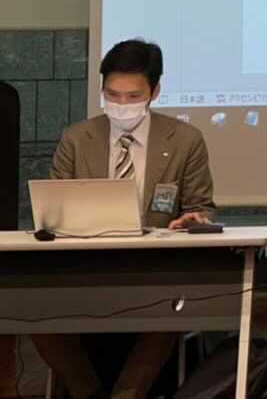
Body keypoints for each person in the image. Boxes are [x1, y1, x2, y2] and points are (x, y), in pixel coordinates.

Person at [32, 39, 216, 399]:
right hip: (82, 266)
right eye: (113, 95)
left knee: (170, 311)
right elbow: (50, 210)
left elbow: (202, 208)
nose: (121, 105)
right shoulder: (77, 139)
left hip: (155, 269)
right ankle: (87, 392)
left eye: (133, 96)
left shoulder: (185, 140)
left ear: (154, 92)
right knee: (30, 312)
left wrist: (193, 220)